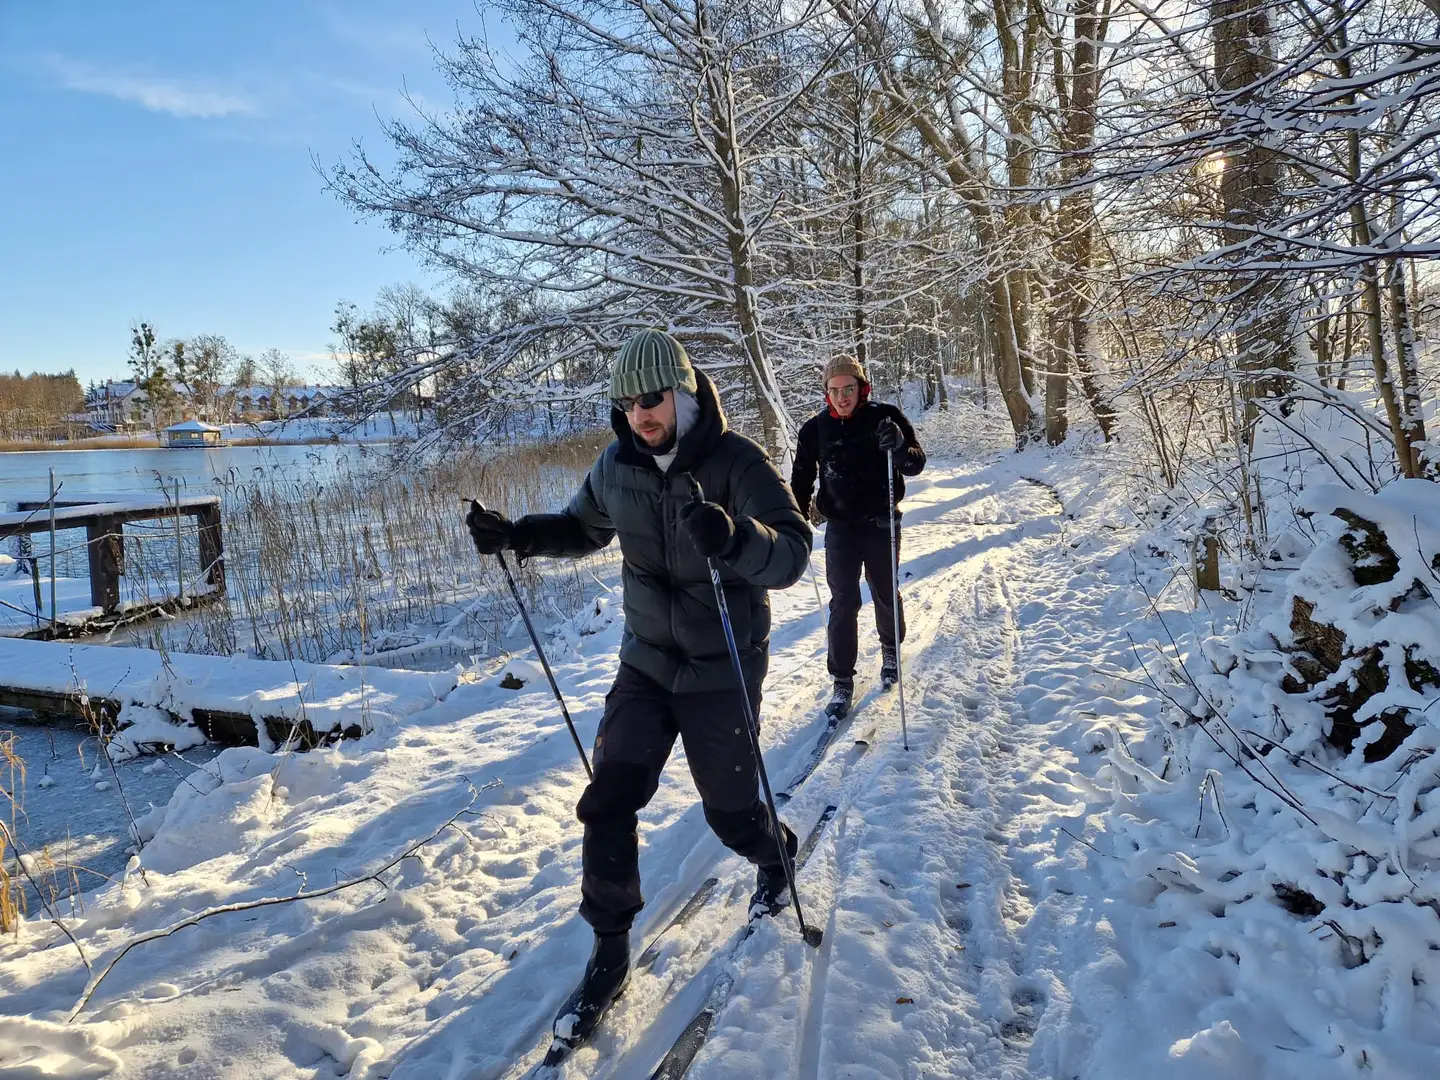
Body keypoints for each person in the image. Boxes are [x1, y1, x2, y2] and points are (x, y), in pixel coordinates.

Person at [465, 328, 811, 1046]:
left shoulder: (735, 461)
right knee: (609, 796)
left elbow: (792, 553)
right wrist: (517, 536)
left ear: (682, 394)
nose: (639, 415)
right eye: (625, 403)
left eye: (651, 400)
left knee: (731, 815)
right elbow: (582, 528)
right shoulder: (617, 465)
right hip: (646, 662)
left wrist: (737, 536)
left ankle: (774, 853)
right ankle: (610, 948)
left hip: (721, 665)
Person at [790, 354, 926, 720]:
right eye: (833, 390)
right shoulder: (814, 430)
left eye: (848, 388)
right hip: (840, 529)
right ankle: (841, 680)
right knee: (843, 602)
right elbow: (801, 480)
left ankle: (891, 653)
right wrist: (796, 517)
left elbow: (915, 463)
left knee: (884, 592)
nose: (841, 396)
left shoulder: (886, 417)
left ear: (861, 388)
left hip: (882, 522)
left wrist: (898, 446)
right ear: (826, 393)